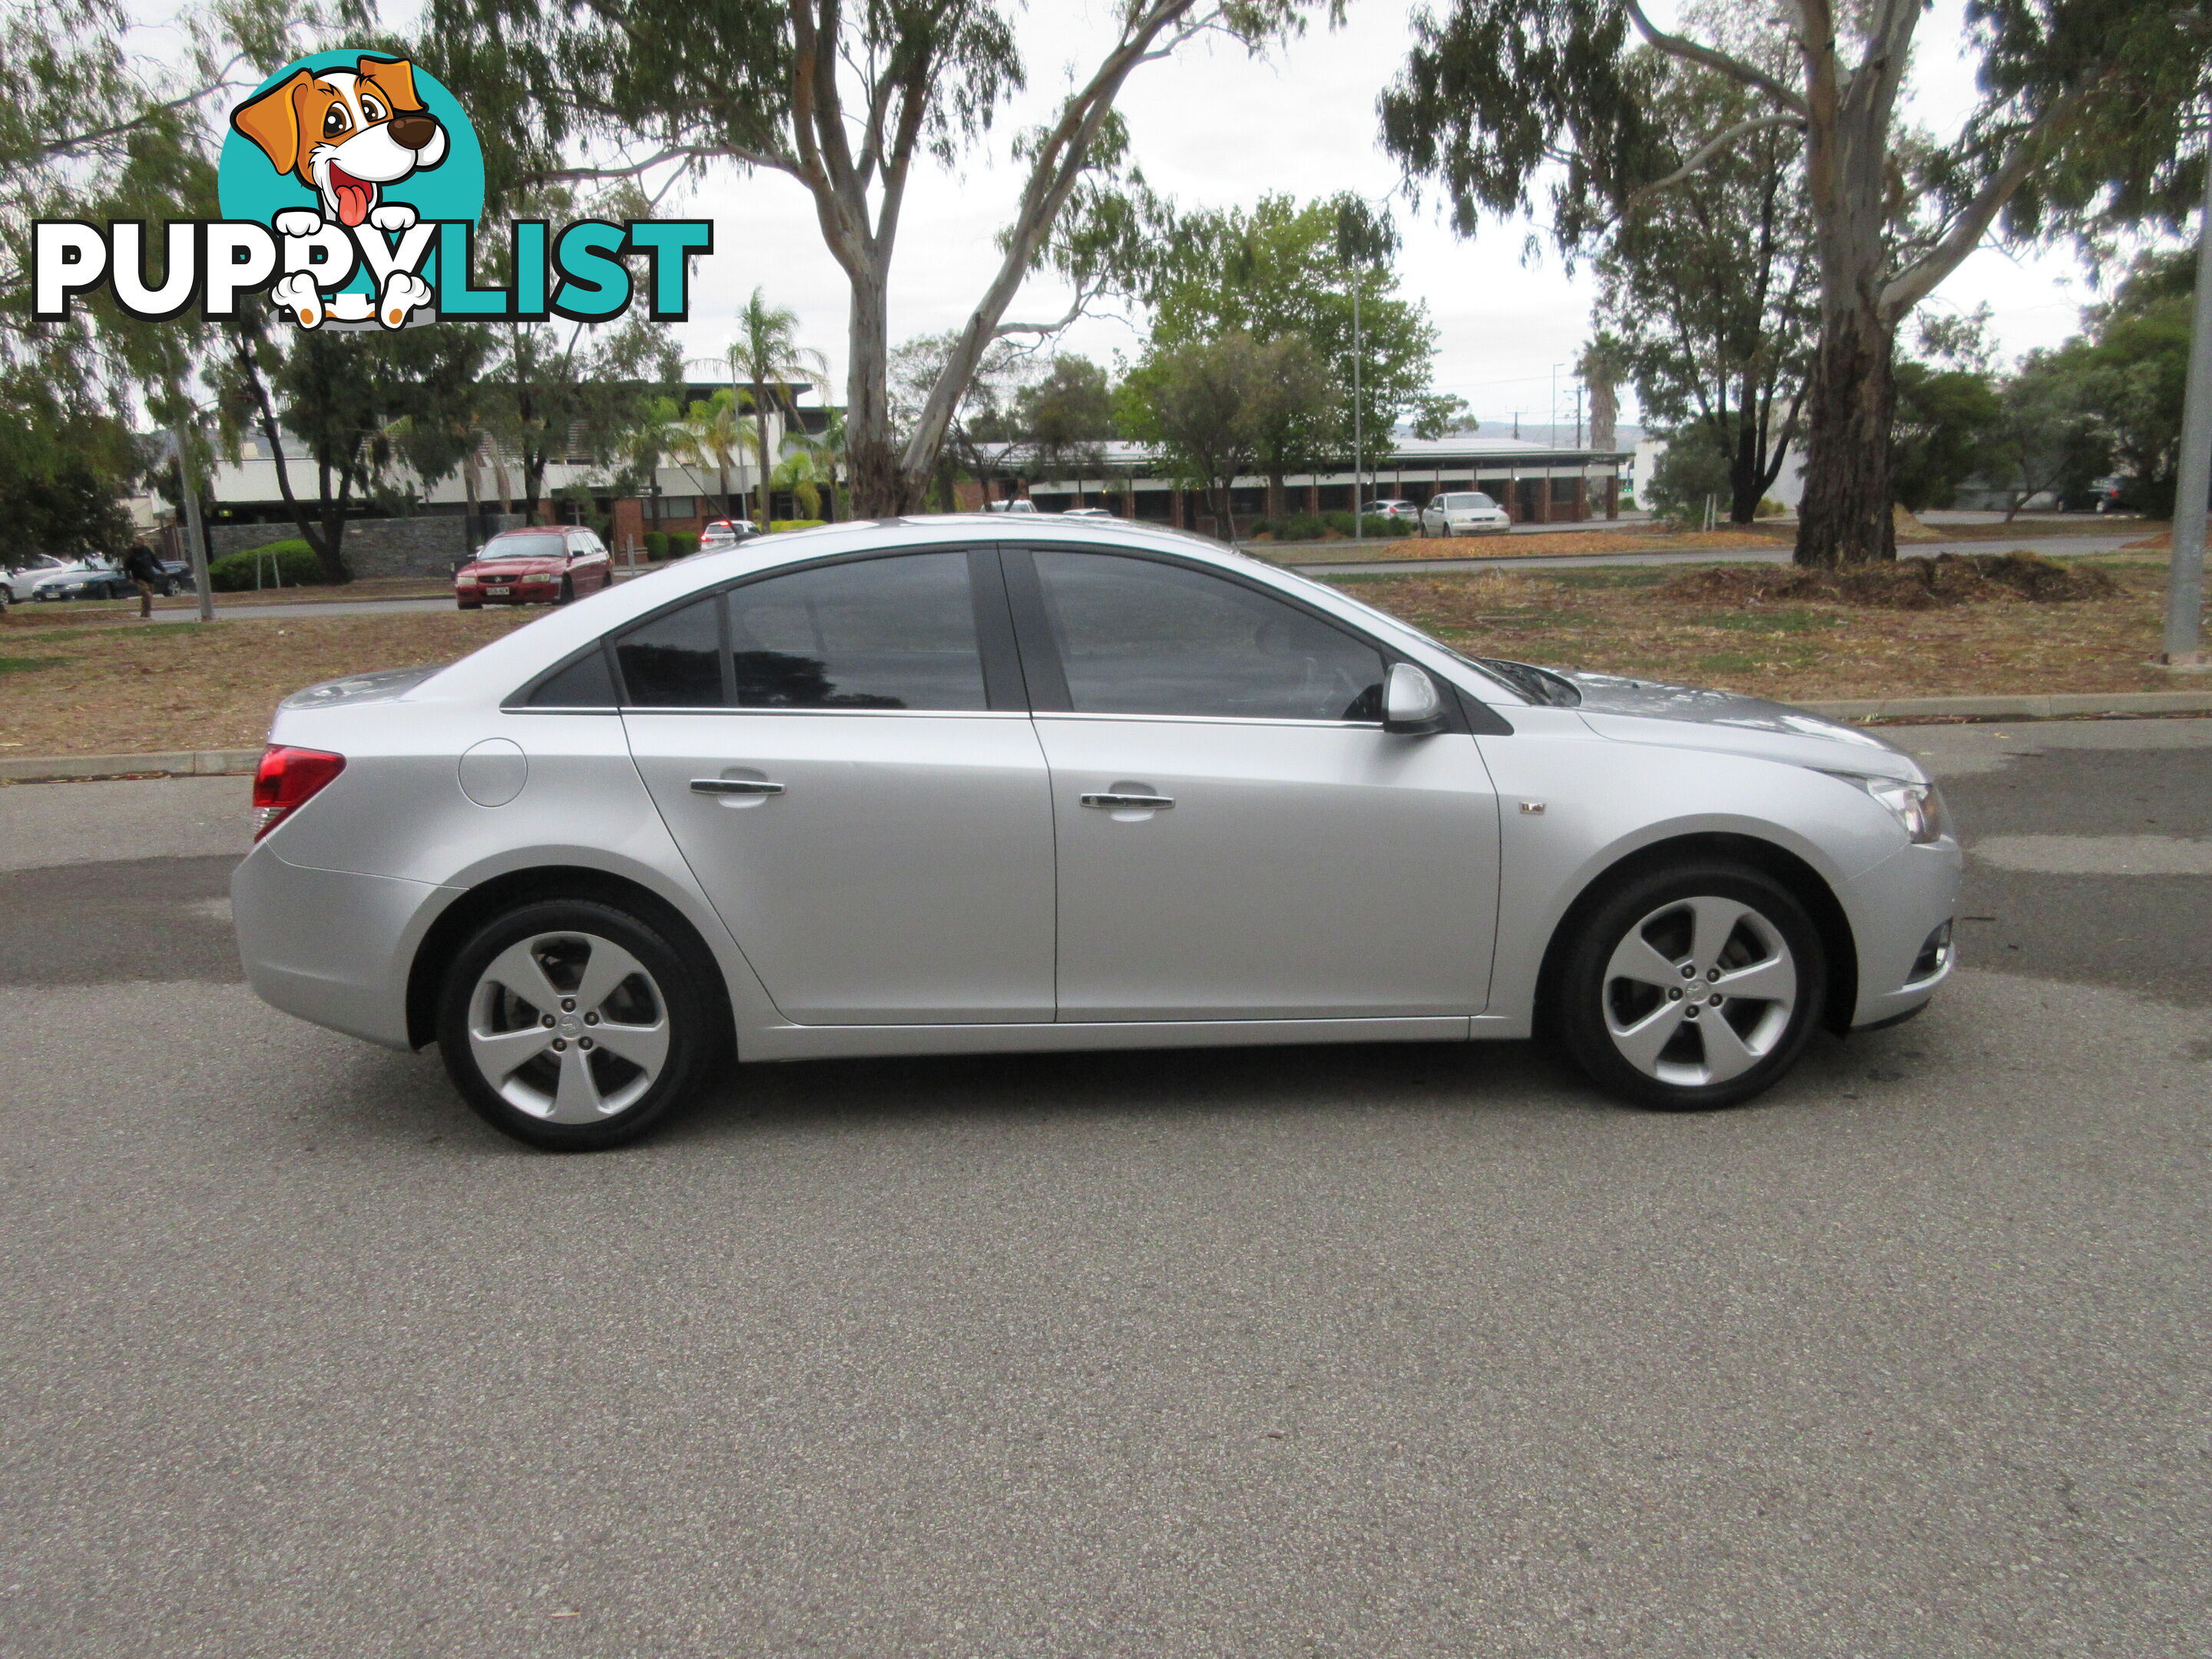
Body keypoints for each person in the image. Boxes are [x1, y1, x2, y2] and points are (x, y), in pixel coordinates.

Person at [121, 543, 163, 618]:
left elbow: (155, 561)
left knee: (148, 597)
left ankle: (145, 612)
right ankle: (146, 612)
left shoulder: (147, 551)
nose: (137, 545)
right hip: (139, 578)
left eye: (138, 543)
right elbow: (126, 566)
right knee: (147, 594)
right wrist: (129, 577)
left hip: (150, 577)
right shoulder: (131, 553)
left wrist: (162, 569)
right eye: (135, 543)